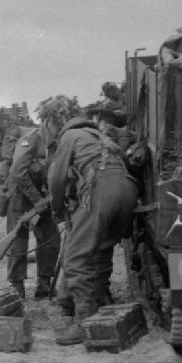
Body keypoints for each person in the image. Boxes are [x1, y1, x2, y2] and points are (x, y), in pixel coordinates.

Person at [47, 106, 140, 345]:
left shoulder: (70, 136)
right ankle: (102, 299)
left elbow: (56, 179)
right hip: (127, 188)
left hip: (101, 189)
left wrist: (58, 212)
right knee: (101, 245)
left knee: (76, 257)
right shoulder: (100, 135)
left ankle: (84, 320)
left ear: (61, 123)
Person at [3, 95, 79, 299]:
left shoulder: (58, 143)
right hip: (22, 199)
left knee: (51, 241)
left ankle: (44, 284)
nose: (60, 126)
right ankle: (17, 287)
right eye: (58, 121)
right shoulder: (31, 139)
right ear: (49, 120)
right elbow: (18, 171)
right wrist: (37, 200)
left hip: (44, 201)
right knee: (18, 243)